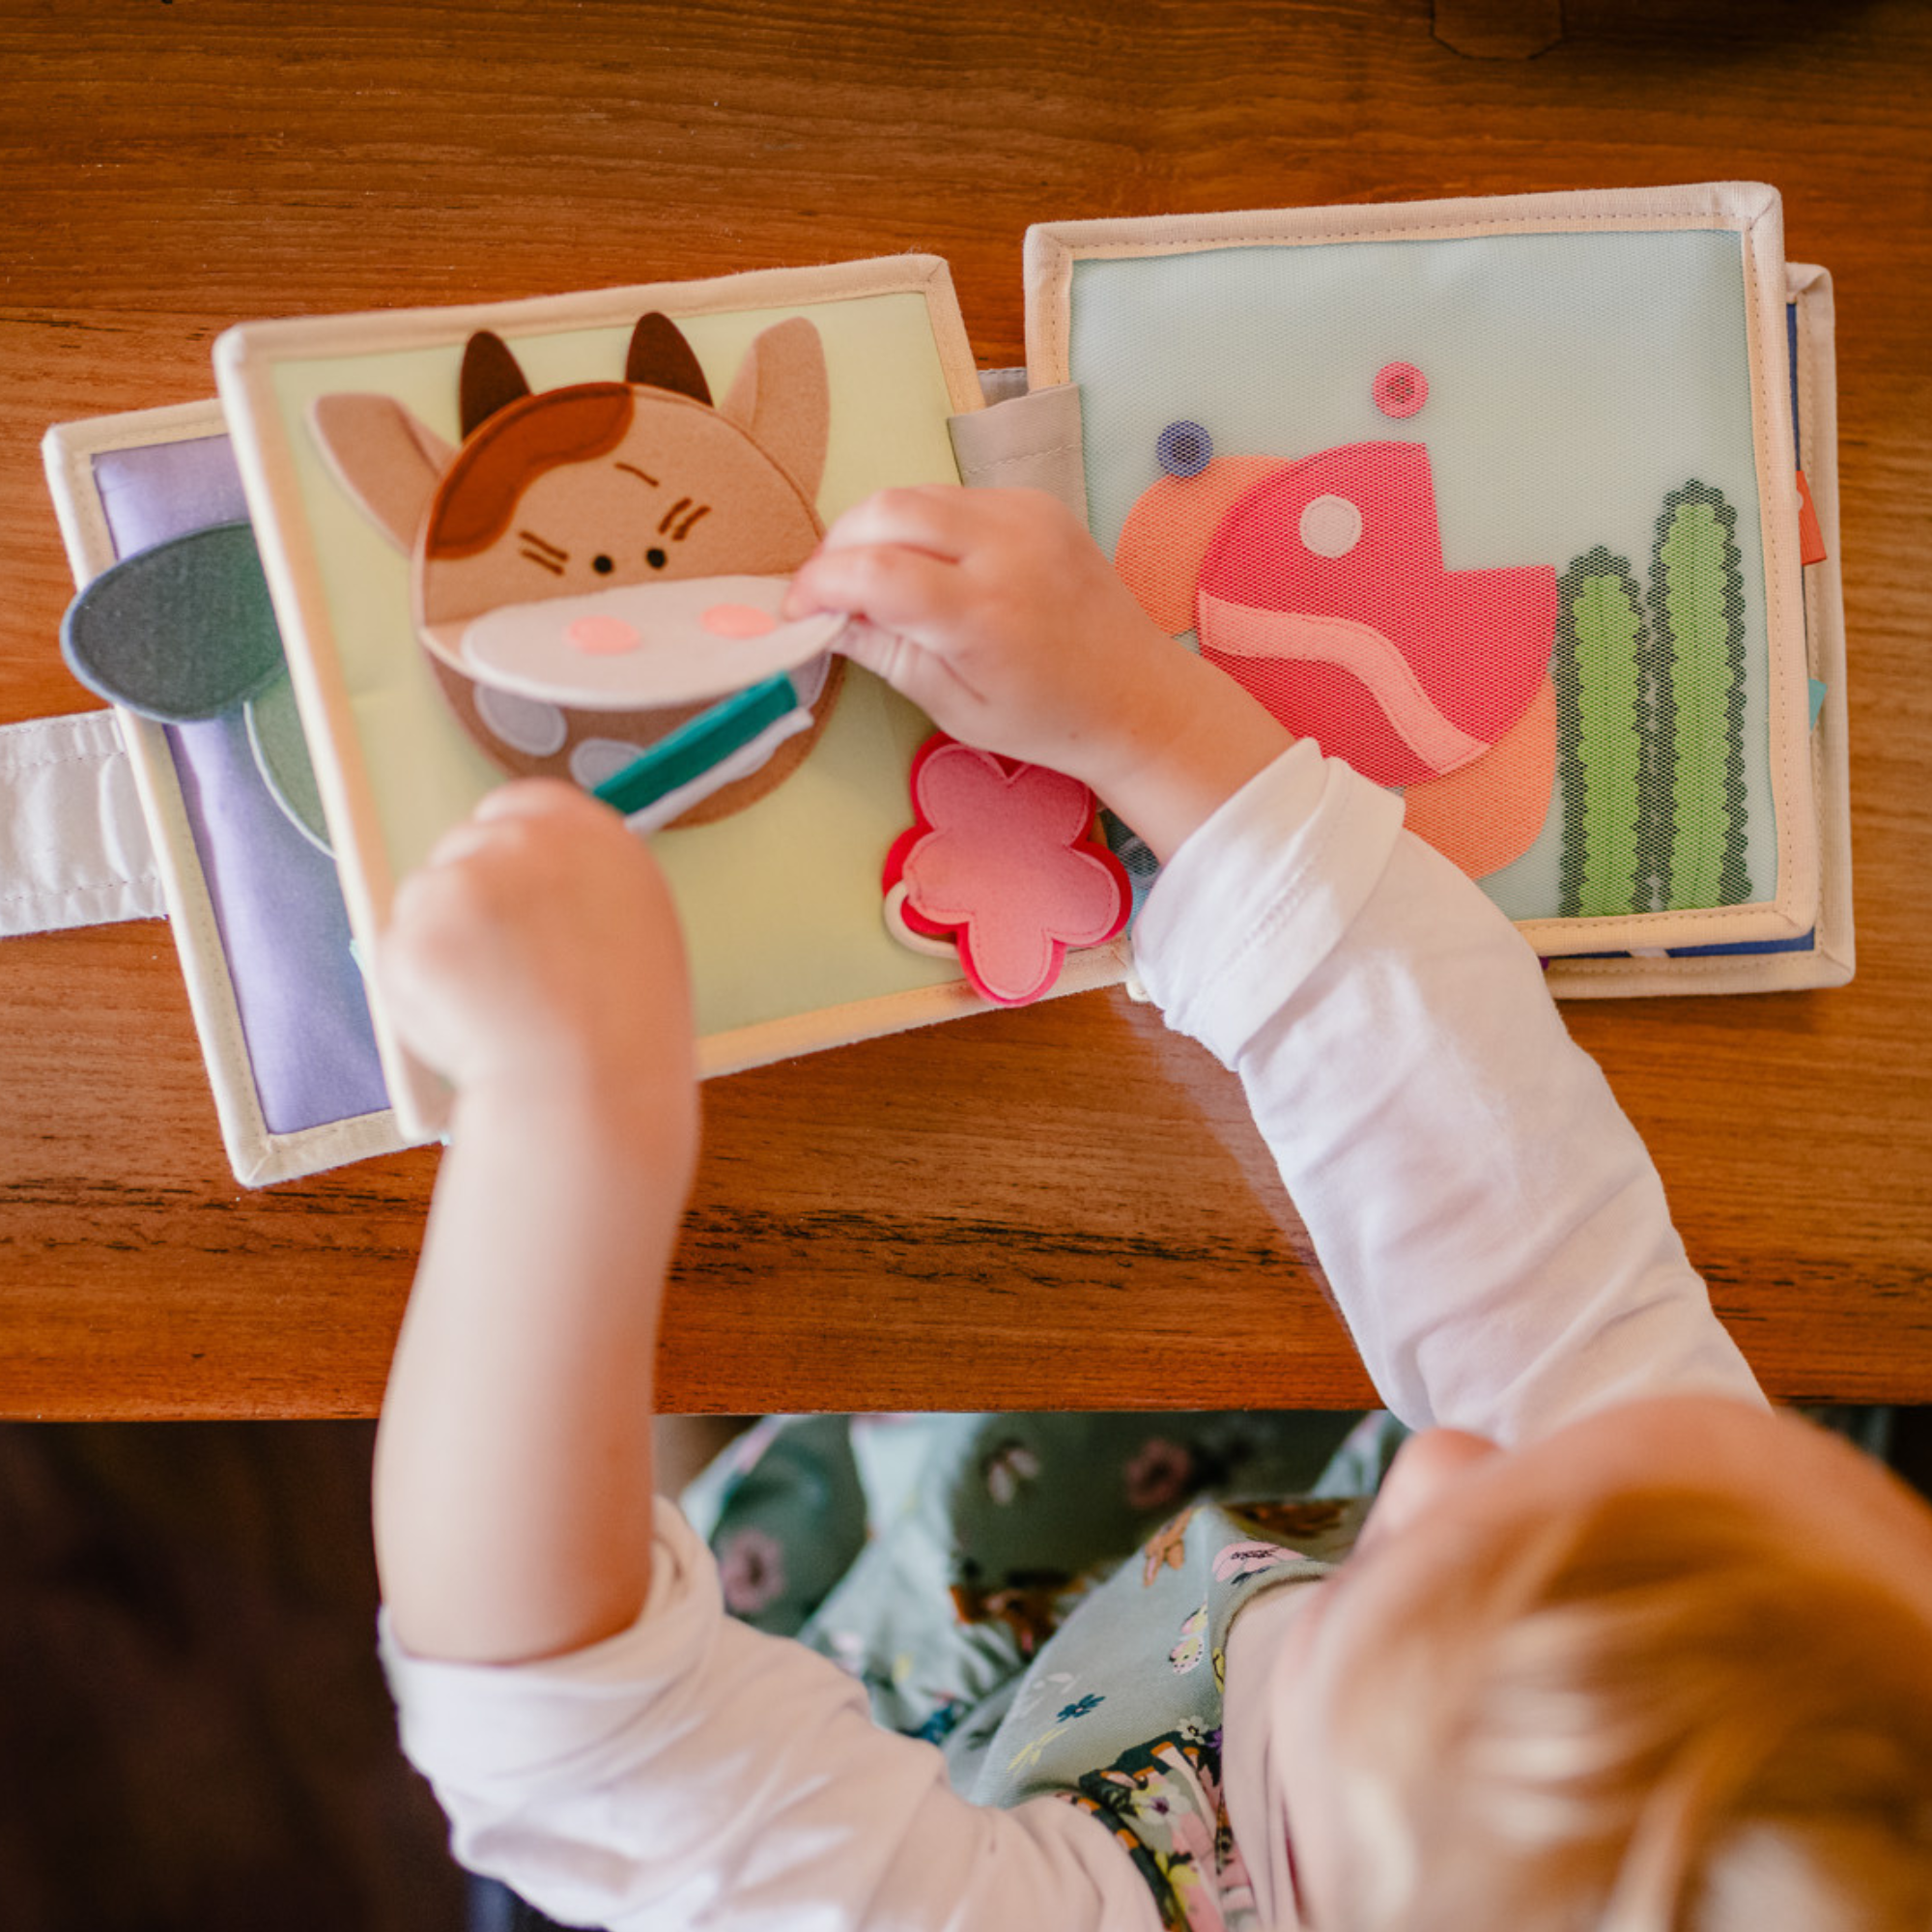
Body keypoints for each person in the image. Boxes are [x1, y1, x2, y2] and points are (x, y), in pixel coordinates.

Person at [371, 487, 1932, 1930]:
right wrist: (1165, 731)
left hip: (814, 1756)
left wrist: (566, 1127)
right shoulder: (1680, 1638)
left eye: (1403, 1580)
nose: (1450, 1459)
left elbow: (563, 1722)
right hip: (1130, 1561)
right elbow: (1513, 1206)